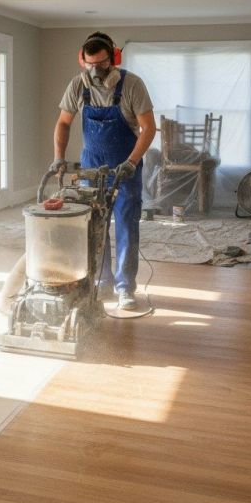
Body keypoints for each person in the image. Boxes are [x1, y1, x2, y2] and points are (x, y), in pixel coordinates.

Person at [51, 32, 156, 310]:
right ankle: (102, 281)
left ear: (114, 58)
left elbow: (149, 128)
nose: (96, 72)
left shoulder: (132, 85)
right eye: (90, 65)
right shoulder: (77, 86)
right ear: (82, 61)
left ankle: (125, 288)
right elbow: (63, 122)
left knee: (125, 223)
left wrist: (132, 162)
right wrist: (58, 157)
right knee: (94, 225)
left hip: (125, 165)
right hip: (92, 166)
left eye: (102, 64)